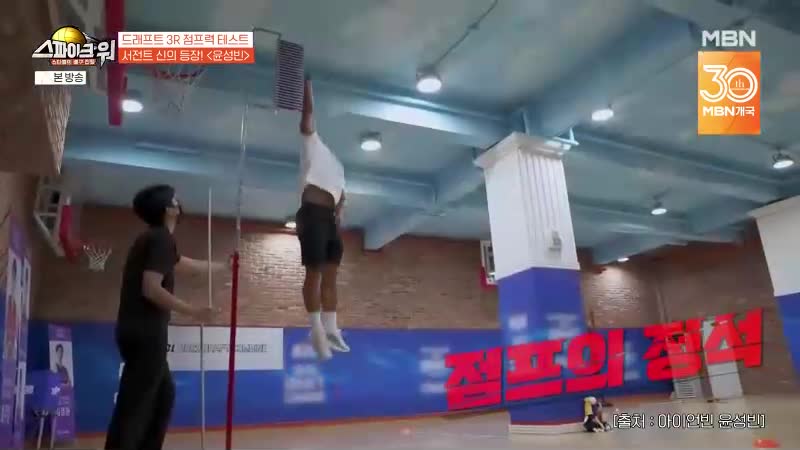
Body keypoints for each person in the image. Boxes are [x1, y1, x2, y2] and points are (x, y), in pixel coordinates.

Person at [105, 184, 227, 450]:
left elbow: (182, 263)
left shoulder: (155, 239)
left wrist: (222, 267)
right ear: (168, 209)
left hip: (138, 331)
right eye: (175, 199)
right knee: (135, 406)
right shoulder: (161, 239)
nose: (180, 203)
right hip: (146, 332)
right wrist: (195, 312)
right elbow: (151, 288)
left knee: (163, 396)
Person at [296, 75, 349, 361]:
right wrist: (307, 87)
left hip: (330, 220)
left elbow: (343, 196)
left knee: (331, 275)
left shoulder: (340, 168)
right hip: (312, 214)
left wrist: (340, 211)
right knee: (314, 272)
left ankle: (331, 327)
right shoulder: (312, 143)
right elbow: (307, 117)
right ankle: (315, 328)